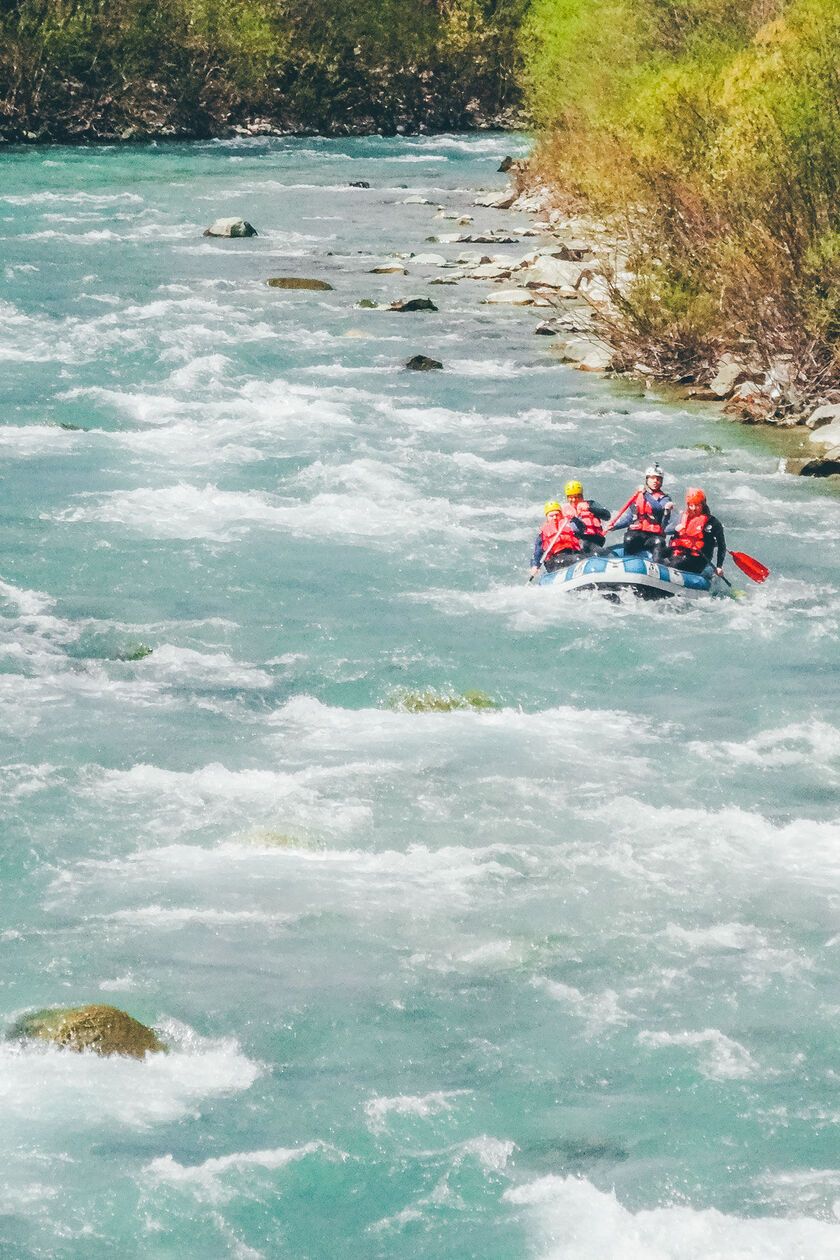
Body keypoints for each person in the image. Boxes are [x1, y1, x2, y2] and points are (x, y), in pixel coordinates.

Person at [610, 463, 673, 560]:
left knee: (659, 542)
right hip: (637, 533)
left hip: (653, 536)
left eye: (658, 479)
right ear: (647, 479)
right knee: (629, 539)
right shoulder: (639, 496)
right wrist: (615, 526)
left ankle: (657, 565)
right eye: (652, 478)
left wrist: (646, 494)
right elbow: (630, 517)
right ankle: (628, 563)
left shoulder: (665, 499)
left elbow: (657, 508)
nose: (655, 481)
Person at [665, 488, 726, 575]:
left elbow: (722, 545)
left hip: (698, 559)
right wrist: (675, 528)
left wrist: (719, 566)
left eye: (697, 505)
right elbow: (666, 530)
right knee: (660, 557)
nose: (693, 508)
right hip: (678, 553)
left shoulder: (713, 523)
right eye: (691, 505)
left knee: (675, 564)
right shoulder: (682, 517)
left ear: (703, 505)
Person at [530, 500, 585, 578]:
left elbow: (582, 529)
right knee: (578, 558)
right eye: (551, 516)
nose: (555, 517)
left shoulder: (569, 525)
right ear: (547, 517)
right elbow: (538, 553)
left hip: (573, 554)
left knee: (582, 557)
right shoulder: (542, 534)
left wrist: (574, 518)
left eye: (557, 514)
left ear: (561, 515)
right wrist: (535, 566)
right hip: (554, 559)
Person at [563, 479, 611, 551]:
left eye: (576, 497)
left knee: (585, 544)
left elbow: (607, 516)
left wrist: (590, 509)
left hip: (594, 538)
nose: (573, 500)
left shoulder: (591, 504)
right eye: (570, 497)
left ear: (582, 496)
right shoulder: (564, 510)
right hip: (575, 540)